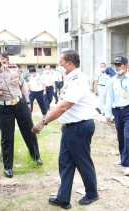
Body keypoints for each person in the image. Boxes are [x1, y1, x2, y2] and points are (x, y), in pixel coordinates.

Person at [33, 50, 98, 209]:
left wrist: (43, 122)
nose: (59, 64)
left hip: (79, 127)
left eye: (61, 61)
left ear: (69, 62)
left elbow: (64, 106)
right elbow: (62, 105)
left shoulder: (78, 79)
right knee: (65, 163)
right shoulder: (70, 77)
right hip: (71, 127)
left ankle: (92, 193)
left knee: (82, 162)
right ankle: (63, 198)